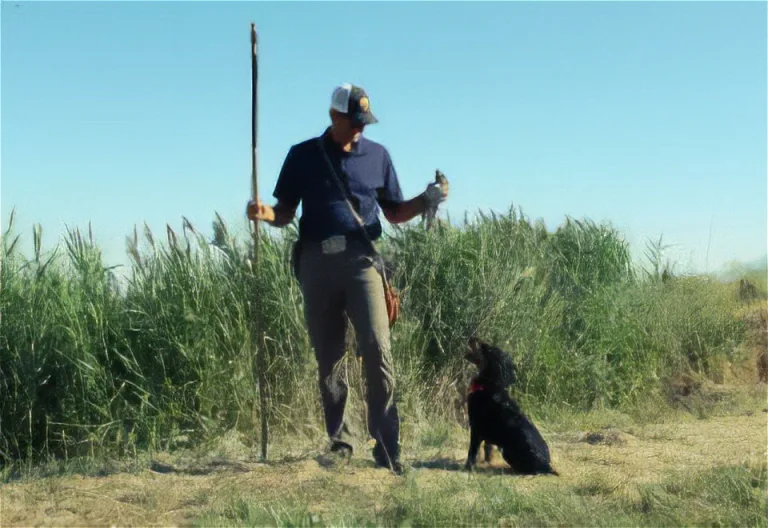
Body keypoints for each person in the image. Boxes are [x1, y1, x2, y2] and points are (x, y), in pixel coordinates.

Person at [246, 83, 448, 474]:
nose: (360, 129)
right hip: (316, 262)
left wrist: (427, 200)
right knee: (329, 357)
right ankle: (340, 442)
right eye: (353, 122)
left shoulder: (378, 156)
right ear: (333, 116)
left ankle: (388, 447)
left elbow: (393, 214)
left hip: (363, 262)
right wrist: (264, 215)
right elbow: (284, 212)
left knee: (377, 348)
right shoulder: (302, 155)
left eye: (364, 123)